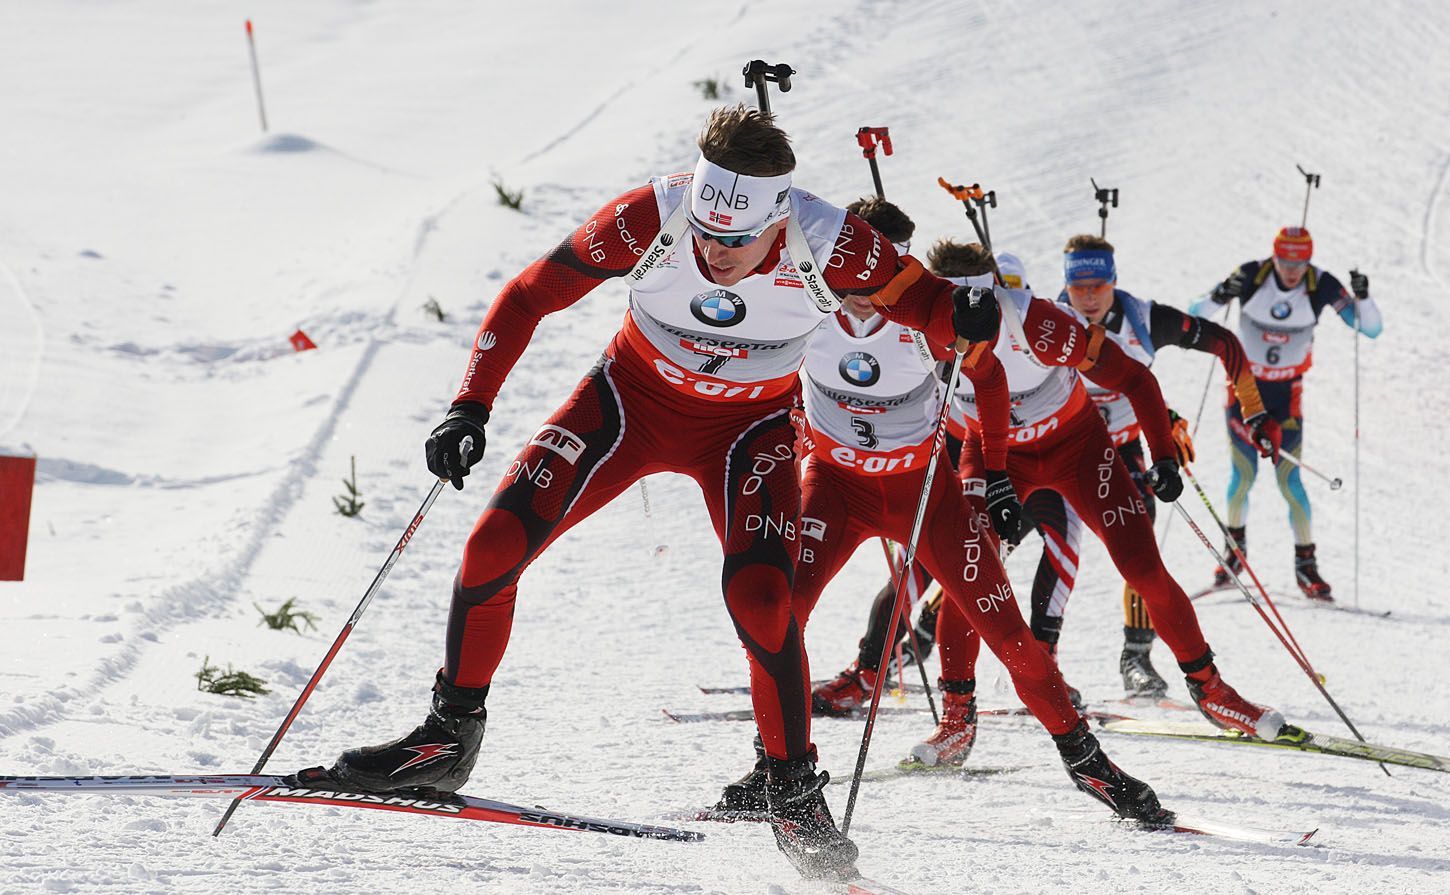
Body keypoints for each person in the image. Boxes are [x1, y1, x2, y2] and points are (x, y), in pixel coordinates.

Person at [323, 106, 1011, 881]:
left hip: (746, 428)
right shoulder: (652, 216)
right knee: (492, 546)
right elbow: (528, 295)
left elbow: (928, 306)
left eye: (736, 240)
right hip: (629, 401)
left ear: (776, 217)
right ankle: (448, 738)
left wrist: (966, 314)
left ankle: (791, 790)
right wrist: (469, 405)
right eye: (705, 236)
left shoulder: (830, 241)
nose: (715, 253)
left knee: (761, 598)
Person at [718, 196, 1171, 822]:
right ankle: (775, 767)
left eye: (877, 272)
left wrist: (994, 474)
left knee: (1008, 633)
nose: (859, 288)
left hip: (921, 494)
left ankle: (1091, 767)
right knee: (778, 615)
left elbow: (990, 381)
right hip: (835, 487)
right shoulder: (801, 301)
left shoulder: (925, 313)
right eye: (847, 269)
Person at [920, 239, 1288, 770]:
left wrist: (1162, 453)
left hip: (1077, 446)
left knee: (1143, 568)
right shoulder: (915, 329)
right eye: (950, 312)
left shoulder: (1040, 323)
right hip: (993, 453)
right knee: (969, 572)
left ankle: (1211, 691)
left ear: (995, 295)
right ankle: (957, 716)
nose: (963, 329)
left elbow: (1136, 378)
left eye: (977, 309)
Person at [1049, 234, 1281, 697]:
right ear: (1066, 287)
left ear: (1114, 281)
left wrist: (1252, 411)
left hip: (1120, 451)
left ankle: (1136, 658)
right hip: (1054, 452)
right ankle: (928, 641)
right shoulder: (1047, 322)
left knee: (1142, 556)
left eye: (1099, 284)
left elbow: (1226, 344)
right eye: (1079, 287)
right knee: (1002, 541)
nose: (1090, 297)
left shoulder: (1144, 319)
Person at [1190, 227, 1382, 599]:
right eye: (1285, 260)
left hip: (1286, 395)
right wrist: (1220, 295)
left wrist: (1364, 297)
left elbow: (1370, 328)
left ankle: (1306, 567)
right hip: (1243, 392)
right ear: (1274, 255)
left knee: (1290, 482)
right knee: (1242, 476)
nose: (1292, 270)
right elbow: (1197, 313)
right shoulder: (1250, 275)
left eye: (1300, 261)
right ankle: (1234, 554)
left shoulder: (1320, 284)